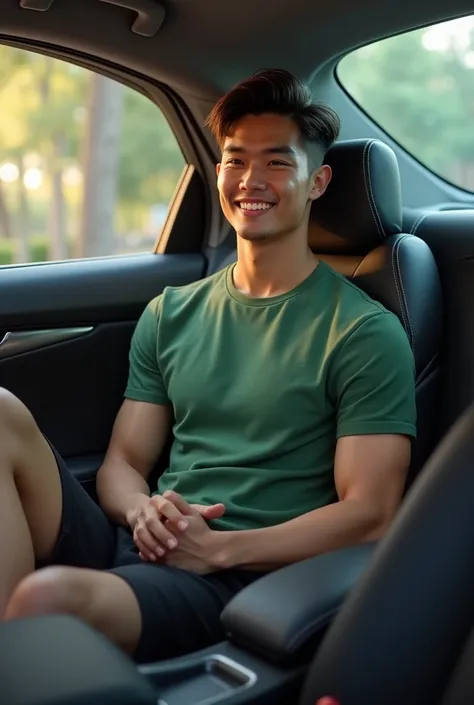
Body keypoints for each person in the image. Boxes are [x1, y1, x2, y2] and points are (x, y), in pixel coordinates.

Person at [0, 68, 416, 664]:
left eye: (277, 162)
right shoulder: (171, 313)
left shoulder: (362, 332)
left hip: (235, 572)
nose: (251, 180)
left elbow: (370, 515)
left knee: (44, 602)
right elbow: (123, 463)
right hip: (142, 540)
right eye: (235, 159)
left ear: (318, 181)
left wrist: (218, 551)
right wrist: (141, 510)